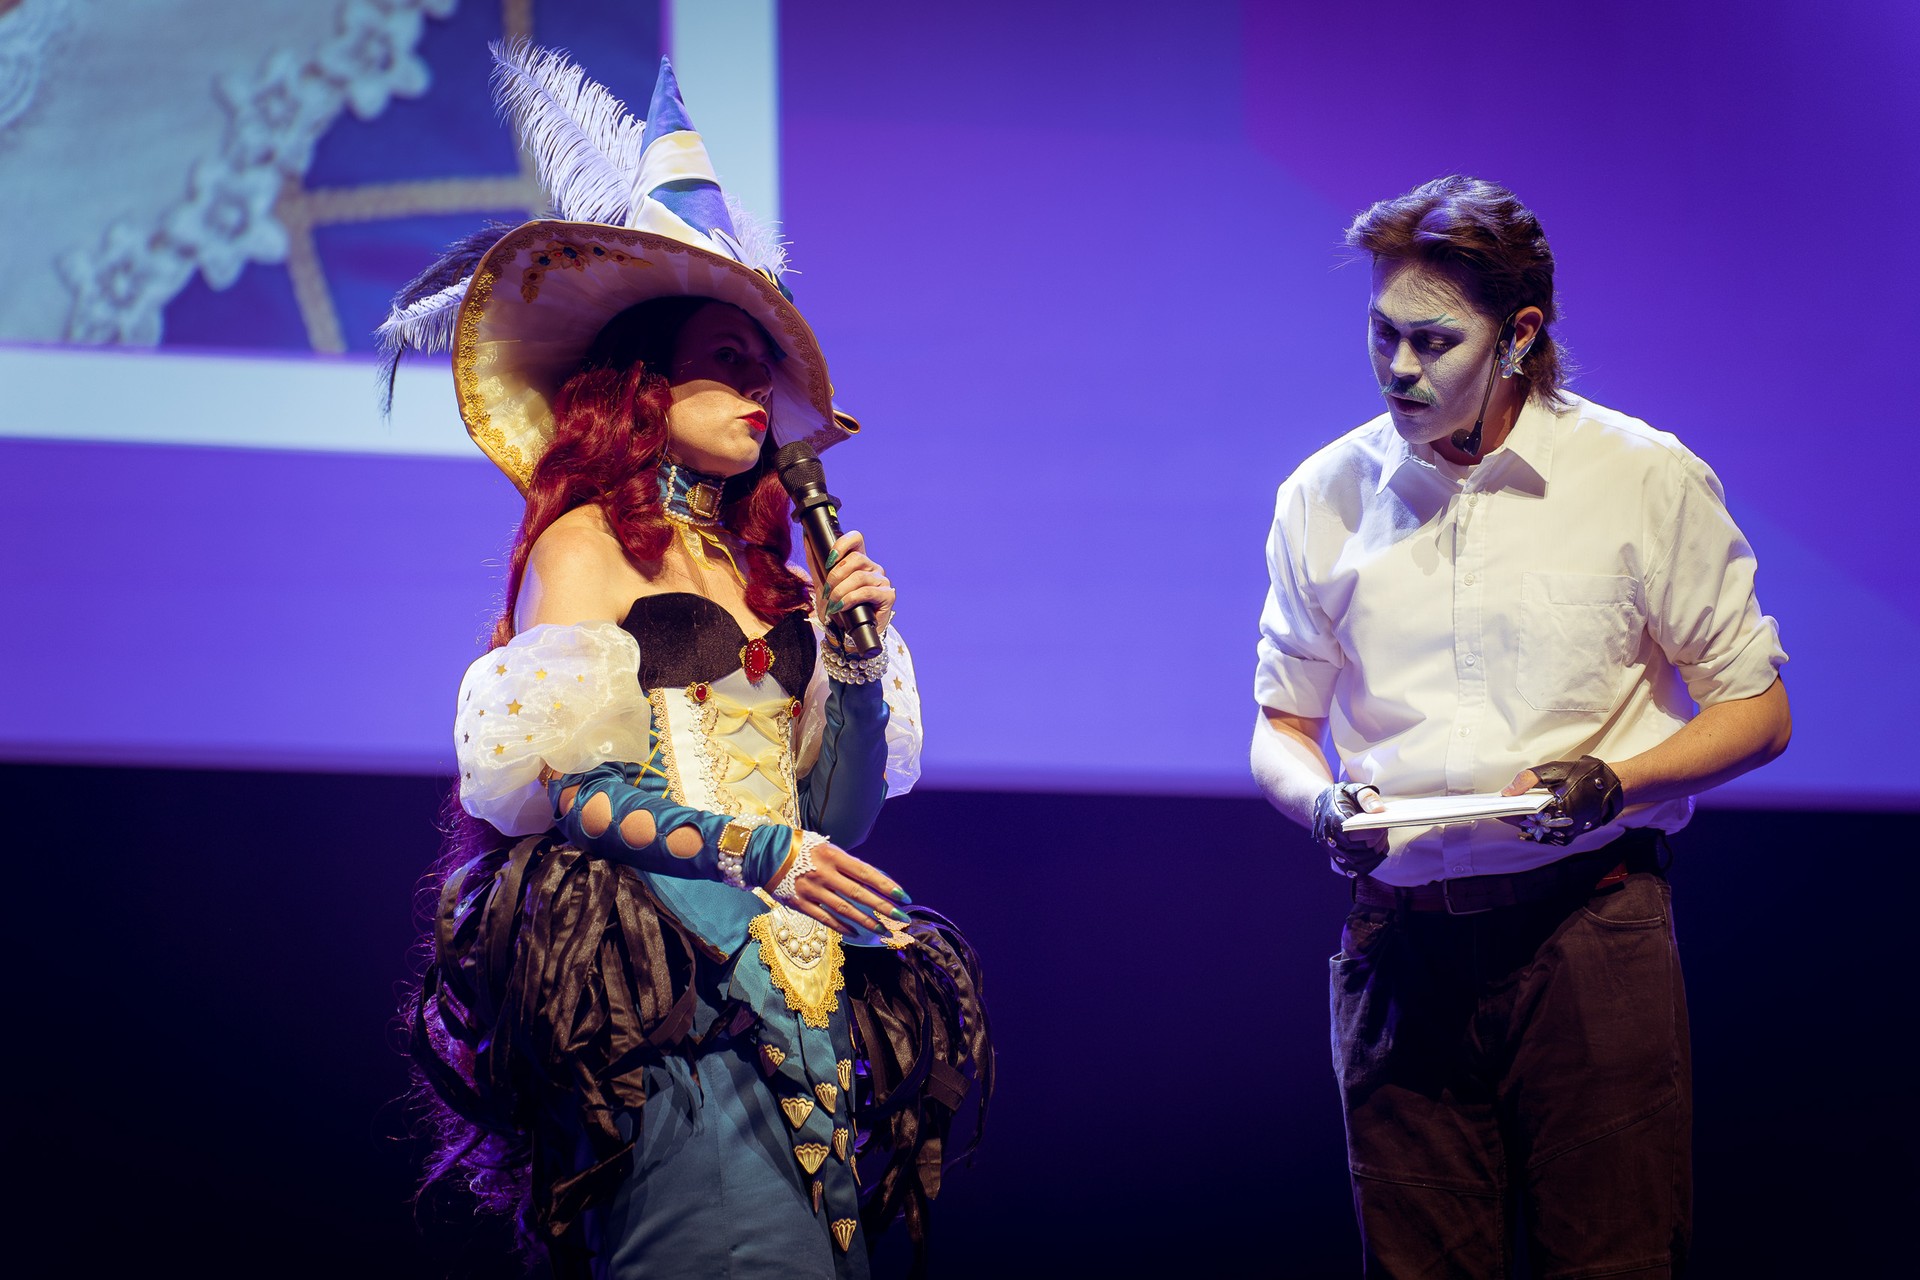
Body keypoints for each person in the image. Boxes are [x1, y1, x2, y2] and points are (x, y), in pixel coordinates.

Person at [391, 46, 990, 1279]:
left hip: (805, 993)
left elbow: (838, 816)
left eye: (764, 358)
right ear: (643, 379)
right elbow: (573, 788)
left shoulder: (772, 574)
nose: (757, 381)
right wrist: (763, 854)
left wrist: (855, 664)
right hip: (670, 993)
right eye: (726, 353)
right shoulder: (586, 544)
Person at [1250, 175, 1790, 1277]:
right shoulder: (1323, 495)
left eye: (1433, 340)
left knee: (1615, 1260)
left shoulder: (1640, 478)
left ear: (1520, 334)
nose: (1399, 368)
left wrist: (1617, 781)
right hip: (1401, 946)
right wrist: (1321, 804)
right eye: (1383, 332)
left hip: (1585, 933)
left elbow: (1759, 711)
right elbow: (1279, 726)